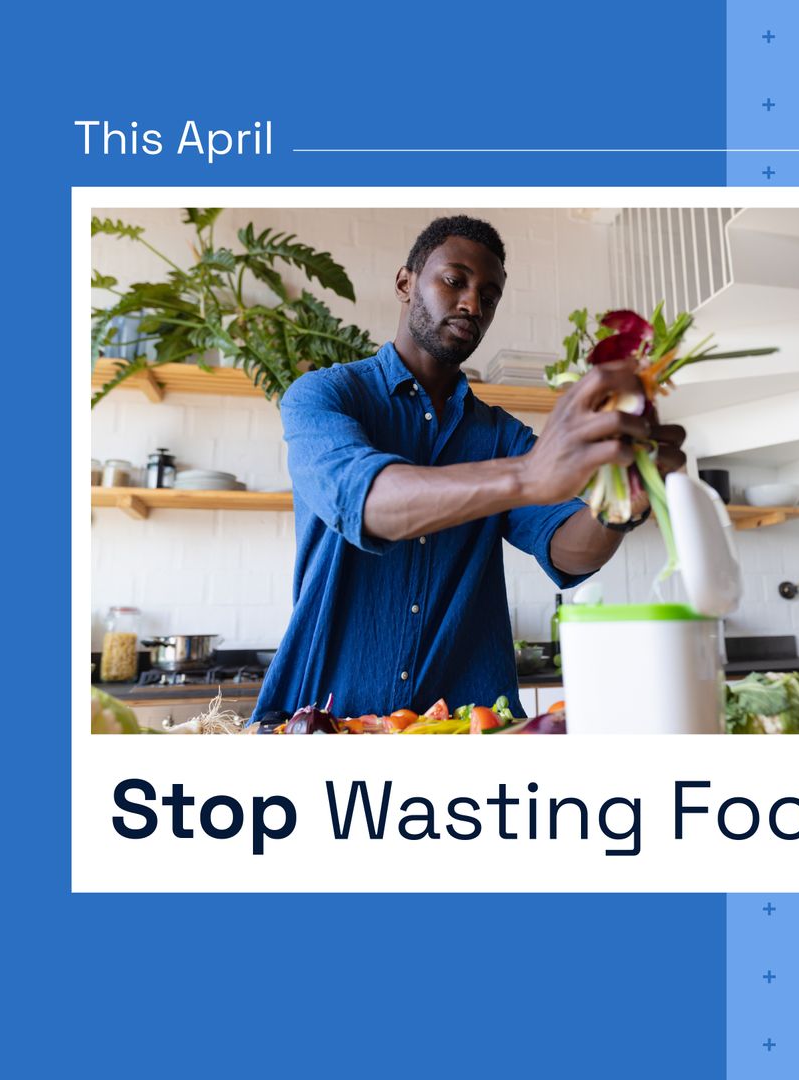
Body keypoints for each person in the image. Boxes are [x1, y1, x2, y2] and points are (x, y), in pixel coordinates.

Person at [253, 215, 686, 721]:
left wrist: (621, 503)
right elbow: (370, 504)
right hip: (323, 723)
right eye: (454, 280)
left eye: (490, 295)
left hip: (472, 727)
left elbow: (569, 552)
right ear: (405, 283)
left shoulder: (502, 436)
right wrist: (526, 473)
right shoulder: (325, 397)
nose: (472, 304)